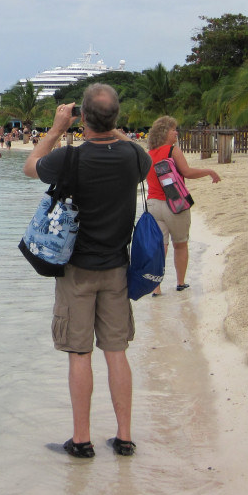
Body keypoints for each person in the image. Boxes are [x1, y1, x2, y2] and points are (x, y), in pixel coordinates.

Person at [22, 83, 151, 459]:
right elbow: (134, 149)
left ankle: (82, 441)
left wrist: (57, 129)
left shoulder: (71, 159)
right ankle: (124, 438)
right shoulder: (132, 157)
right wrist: (113, 128)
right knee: (116, 352)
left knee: (79, 354)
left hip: (76, 270)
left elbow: (30, 167)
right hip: (117, 269)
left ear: (82, 117)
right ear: (116, 118)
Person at [145, 116, 220, 295]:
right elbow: (187, 172)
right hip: (174, 204)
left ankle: (156, 287)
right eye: (173, 130)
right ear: (165, 133)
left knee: (160, 246)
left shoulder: (149, 154)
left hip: (153, 204)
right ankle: (180, 282)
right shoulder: (172, 150)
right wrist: (209, 171)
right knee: (180, 244)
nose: (176, 132)